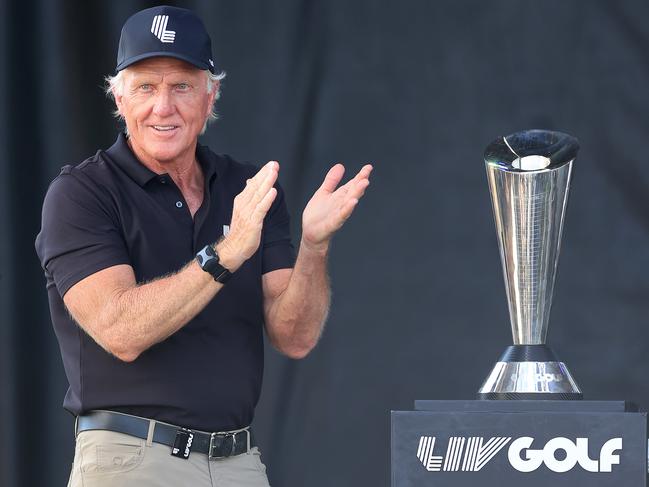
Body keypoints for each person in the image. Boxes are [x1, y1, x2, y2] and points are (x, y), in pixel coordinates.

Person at [35, 6, 372, 487]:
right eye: (146, 87)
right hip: (131, 460)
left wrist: (314, 247)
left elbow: (293, 336)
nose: (163, 106)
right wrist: (226, 253)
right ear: (119, 97)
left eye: (182, 86)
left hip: (238, 461)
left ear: (211, 95)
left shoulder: (247, 187)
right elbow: (120, 330)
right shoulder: (83, 193)